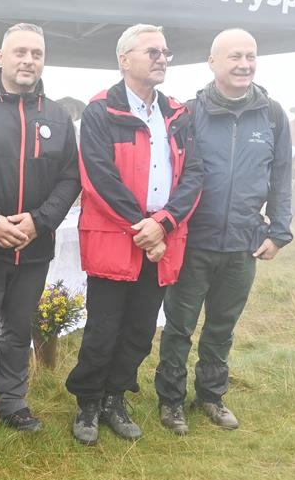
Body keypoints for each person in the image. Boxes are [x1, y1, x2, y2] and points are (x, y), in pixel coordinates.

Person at [66, 24, 203, 445]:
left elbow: (194, 175)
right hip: (117, 234)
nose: (162, 59)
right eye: (152, 52)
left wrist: (163, 224)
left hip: (161, 234)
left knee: (141, 328)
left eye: (165, 52)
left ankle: (115, 397)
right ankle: (88, 401)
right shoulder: (100, 110)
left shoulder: (177, 113)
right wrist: (142, 227)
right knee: (104, 326)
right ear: (124, 60)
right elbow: (98, 176)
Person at [0, 23, 80, 446]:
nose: (28, 60)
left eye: (36, 53)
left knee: (19, 329)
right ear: (0, 56)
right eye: (20, 52)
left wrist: (40, 221)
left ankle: (13, 401)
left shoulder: (57, 116)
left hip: (34, 246)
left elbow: (70, 177)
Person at [156, 28, 291, 436]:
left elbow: (281, 176)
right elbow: (170, 174)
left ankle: (211, 396)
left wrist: (279, 231)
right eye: (235, 57)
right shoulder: (189, 113)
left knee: (221, 327)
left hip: (242, 244)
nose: (244, 65)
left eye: (250, 56)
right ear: (212, 62)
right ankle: (170, 400)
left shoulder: (272, 115)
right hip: (192, 241)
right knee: (179, 326)